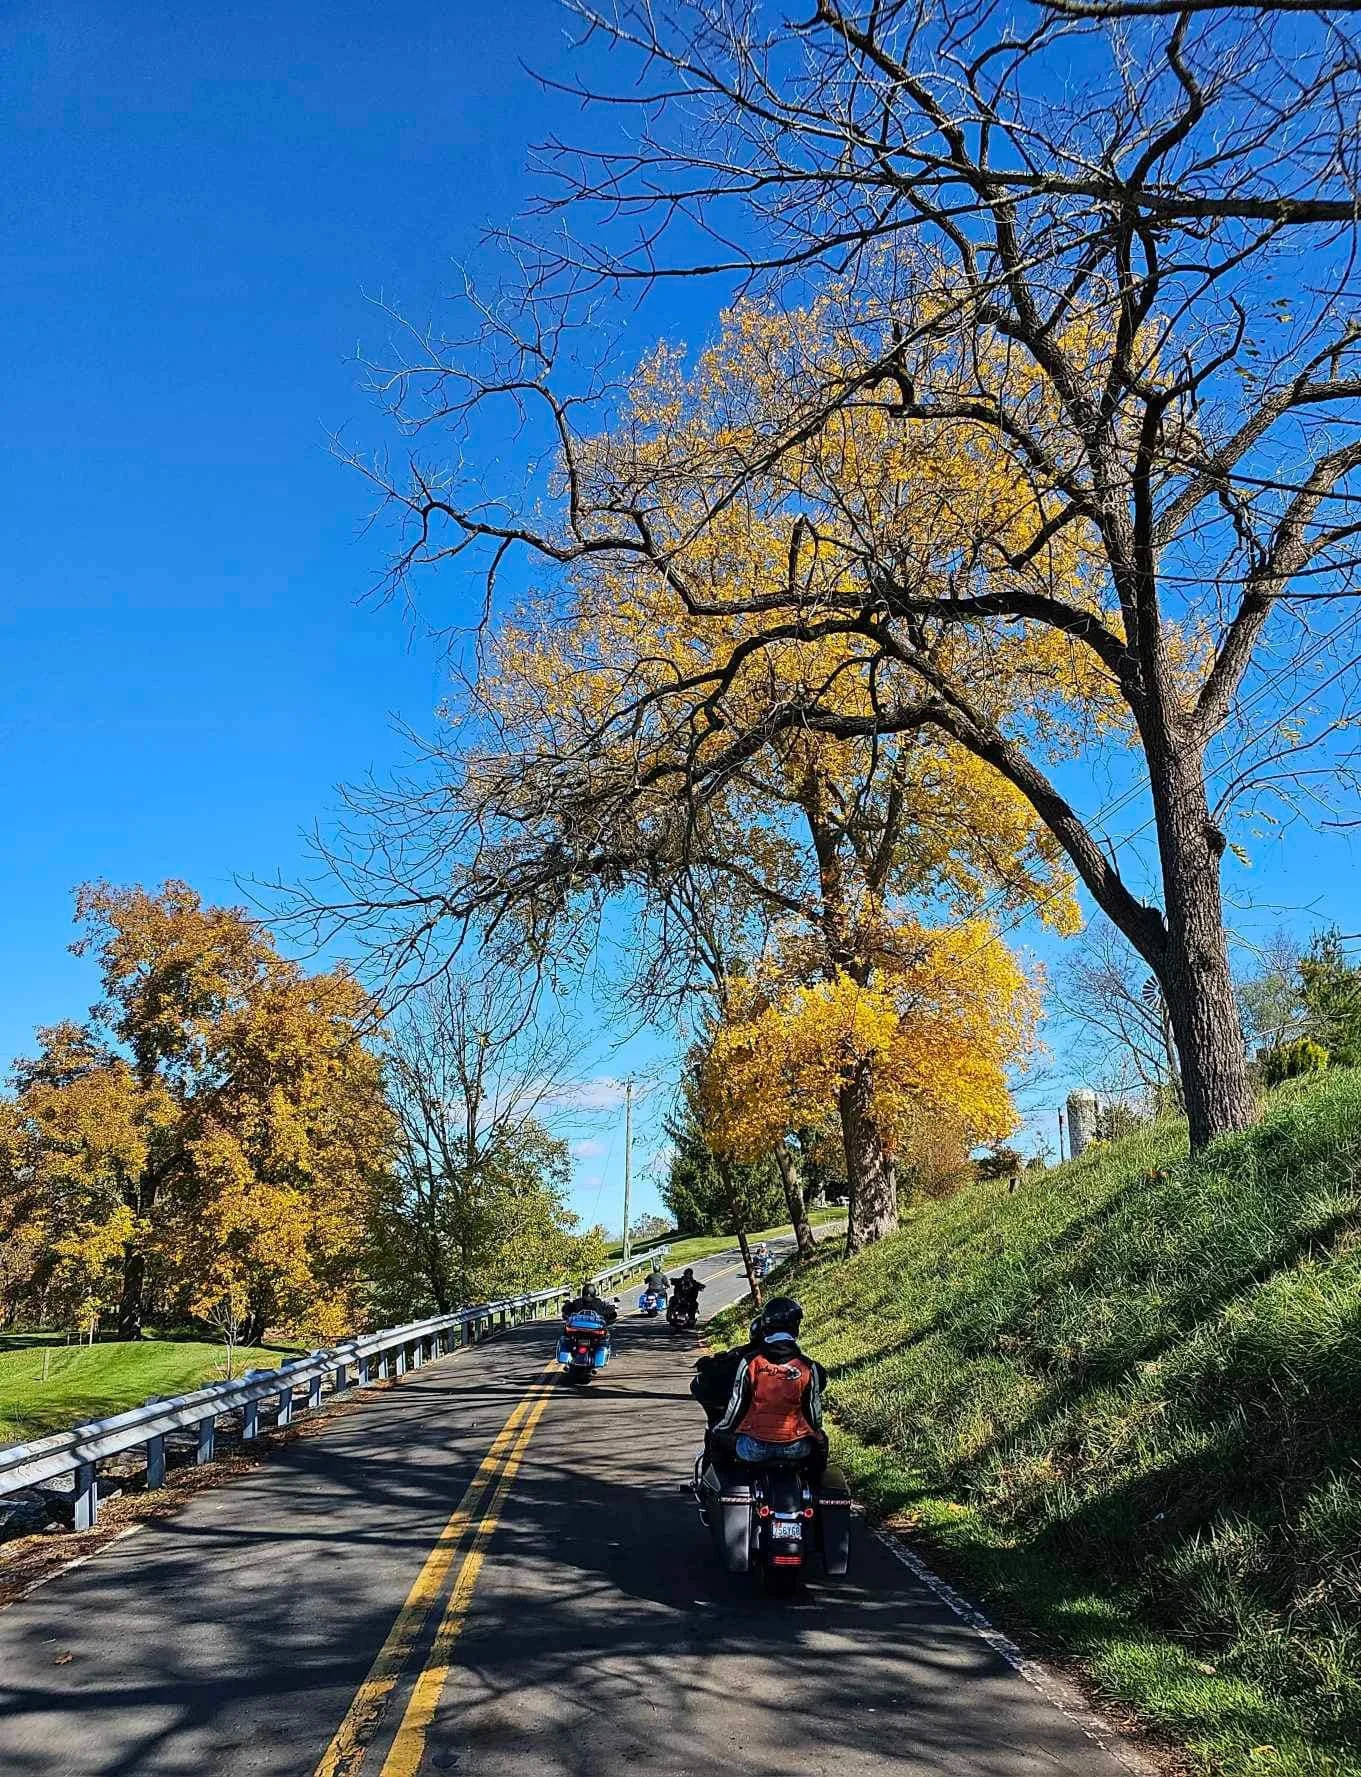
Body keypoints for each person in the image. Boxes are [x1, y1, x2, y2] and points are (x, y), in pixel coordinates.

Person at [691, 1295, 828, 1478]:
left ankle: (721, 1489)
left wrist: (723, 1429)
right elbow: (813, 1411)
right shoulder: (808, 1367)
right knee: (820, 1444)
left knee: (718, 1438)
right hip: (796, 1448)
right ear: (796, 1327)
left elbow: (737, 1405)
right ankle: (813, 1483)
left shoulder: (750, 1363)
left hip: (754, 1448)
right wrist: (816, 1432)